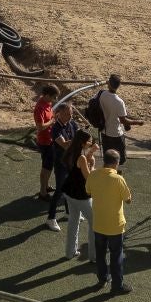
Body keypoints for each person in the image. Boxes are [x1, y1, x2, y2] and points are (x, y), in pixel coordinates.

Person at [87, 147, 133, 295]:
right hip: (115, 225)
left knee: (100, 254)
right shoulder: (119, 179)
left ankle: (102, 278)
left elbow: (88, 191)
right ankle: (117, 285)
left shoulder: (93, 175)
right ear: (116, 163)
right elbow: (128, 200)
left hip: (98, 223)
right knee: (116, 256)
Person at [44, 99, 83, 231]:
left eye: (71, 113)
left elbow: (80, 136)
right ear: (59, 113)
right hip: (61, 164)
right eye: (68, 114)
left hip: (70, 162)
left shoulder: (72, 123)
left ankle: (69, 212)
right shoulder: (55, 128)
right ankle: (51, 218)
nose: (71, 116)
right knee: (60, 191)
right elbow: (65, 144)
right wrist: (79, 140)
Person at [57, 130, 94, 261]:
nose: (91, 142)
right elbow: (89, 178)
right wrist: (93, 164)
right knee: (94, 222)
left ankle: (70, 251)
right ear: (83, 143)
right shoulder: (82, 157)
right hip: (80, 194)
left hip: (69, 191)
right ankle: (94, 256)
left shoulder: (71, 151)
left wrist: (90, 155)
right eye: (89, 141)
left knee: (74, 220)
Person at [90, 75, 131, 165]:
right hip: (116, 134)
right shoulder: (119, 102)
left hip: (104, 131)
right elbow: (123, 120)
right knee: (120, 160)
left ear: (109, 83)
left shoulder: (101, 94)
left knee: (107, 159)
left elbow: (92, 101)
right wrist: (138, 122)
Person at [32, 84, 59, 201]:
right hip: (44, 142)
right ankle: (43, 192)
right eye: (53, 97)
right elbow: (40, 127)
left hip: (50, 139)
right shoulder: (39, 108)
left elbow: (50, 116)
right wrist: (52, 121)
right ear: (47, 95)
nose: (55, 100)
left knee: (49, 166)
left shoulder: (48, 103)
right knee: (46, 168)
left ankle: (46, 186)